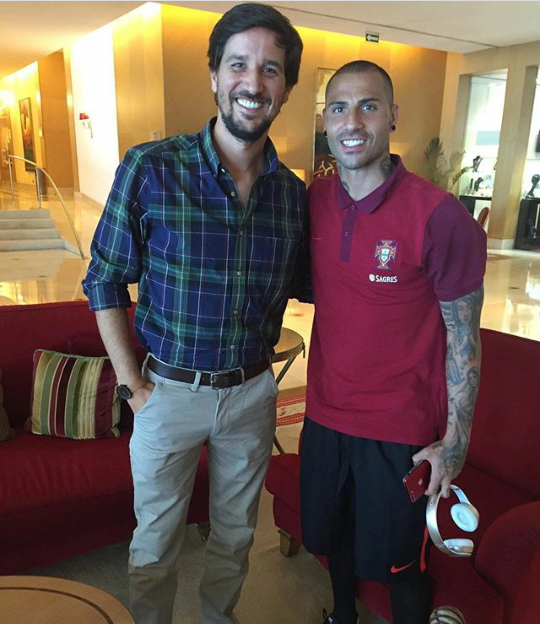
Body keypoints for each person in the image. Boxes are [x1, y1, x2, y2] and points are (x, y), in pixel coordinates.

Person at [82, 5, 305, 624]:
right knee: (155, 545)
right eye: (238, 64)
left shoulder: (292, 196)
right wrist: (134, 388)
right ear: (214, 75)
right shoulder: (152, 168)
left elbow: (322, 289)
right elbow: (103, 278)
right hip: (167, 393)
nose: (253, 82)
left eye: (270, 69)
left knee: (236, 538)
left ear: (286, 88)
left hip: (251, 395)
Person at [299, 61, 486, 624]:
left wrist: (455, 442)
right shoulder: (313, 200)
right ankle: (342, 617)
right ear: (325, 121)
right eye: (338, 108)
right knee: (334, 536)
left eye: (369, 106)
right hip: (324, 414)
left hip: (400, 428)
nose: (352, 121)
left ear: (393, 115)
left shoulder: (439, 216)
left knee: (403, 561)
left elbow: (464, 338)